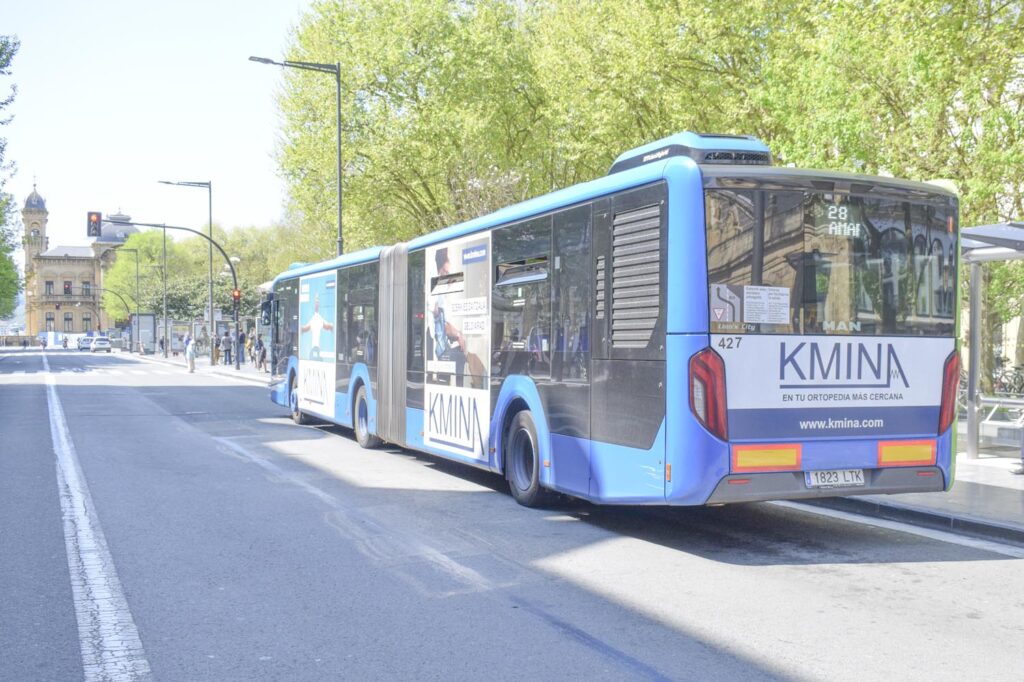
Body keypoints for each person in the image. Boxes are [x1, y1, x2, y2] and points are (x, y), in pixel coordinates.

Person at [300, 294, 333, 361]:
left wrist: (331, 326)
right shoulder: (314, 318)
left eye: (317, 302)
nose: (316, 304)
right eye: (315, 302)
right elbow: (305, 328)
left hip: (318, 350)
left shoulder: (318, 318)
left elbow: (328, 326)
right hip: (314, 349)